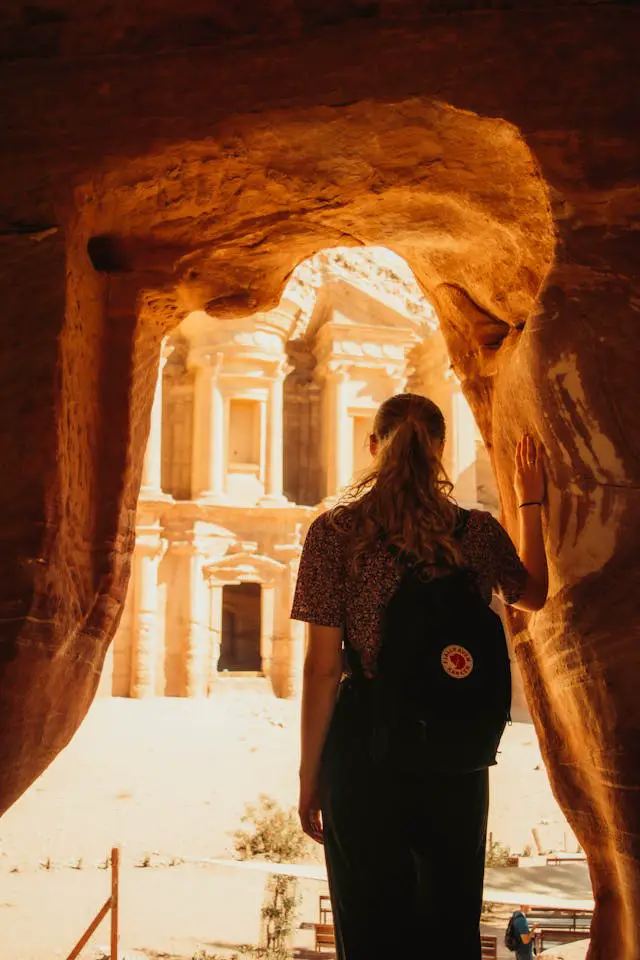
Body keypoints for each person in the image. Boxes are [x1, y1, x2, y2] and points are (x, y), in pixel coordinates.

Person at [291, 392, 548, 960]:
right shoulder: (477, 531)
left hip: (365, 748)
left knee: (370, 926)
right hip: (455, 749)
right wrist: (529, 504)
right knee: (448, 924)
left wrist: (311, 774)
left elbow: (321, 668)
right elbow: (532, 595)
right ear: (439, 451)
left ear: (372, 444)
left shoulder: (334, 533)